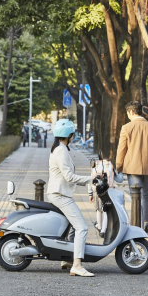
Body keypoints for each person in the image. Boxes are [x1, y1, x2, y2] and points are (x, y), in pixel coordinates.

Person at [47, 119, 94, 277]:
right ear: (69, 135)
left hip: (59, 193)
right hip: (60, 195)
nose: (73, 137)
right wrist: (90, 179)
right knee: (82, 227)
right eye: (72, 134)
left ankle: (67, 259)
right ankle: (77, 265)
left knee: (73, 227)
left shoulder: (59, 148)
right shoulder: (61, 151)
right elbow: (69, 176)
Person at [116, 101, 148, 233]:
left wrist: (118, 166)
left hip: (132, 168)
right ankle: (146, 222)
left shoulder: (126, 128)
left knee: (135, 195)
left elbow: (121, 150)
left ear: (131, 112)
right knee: (146, 195)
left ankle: (136, 224)